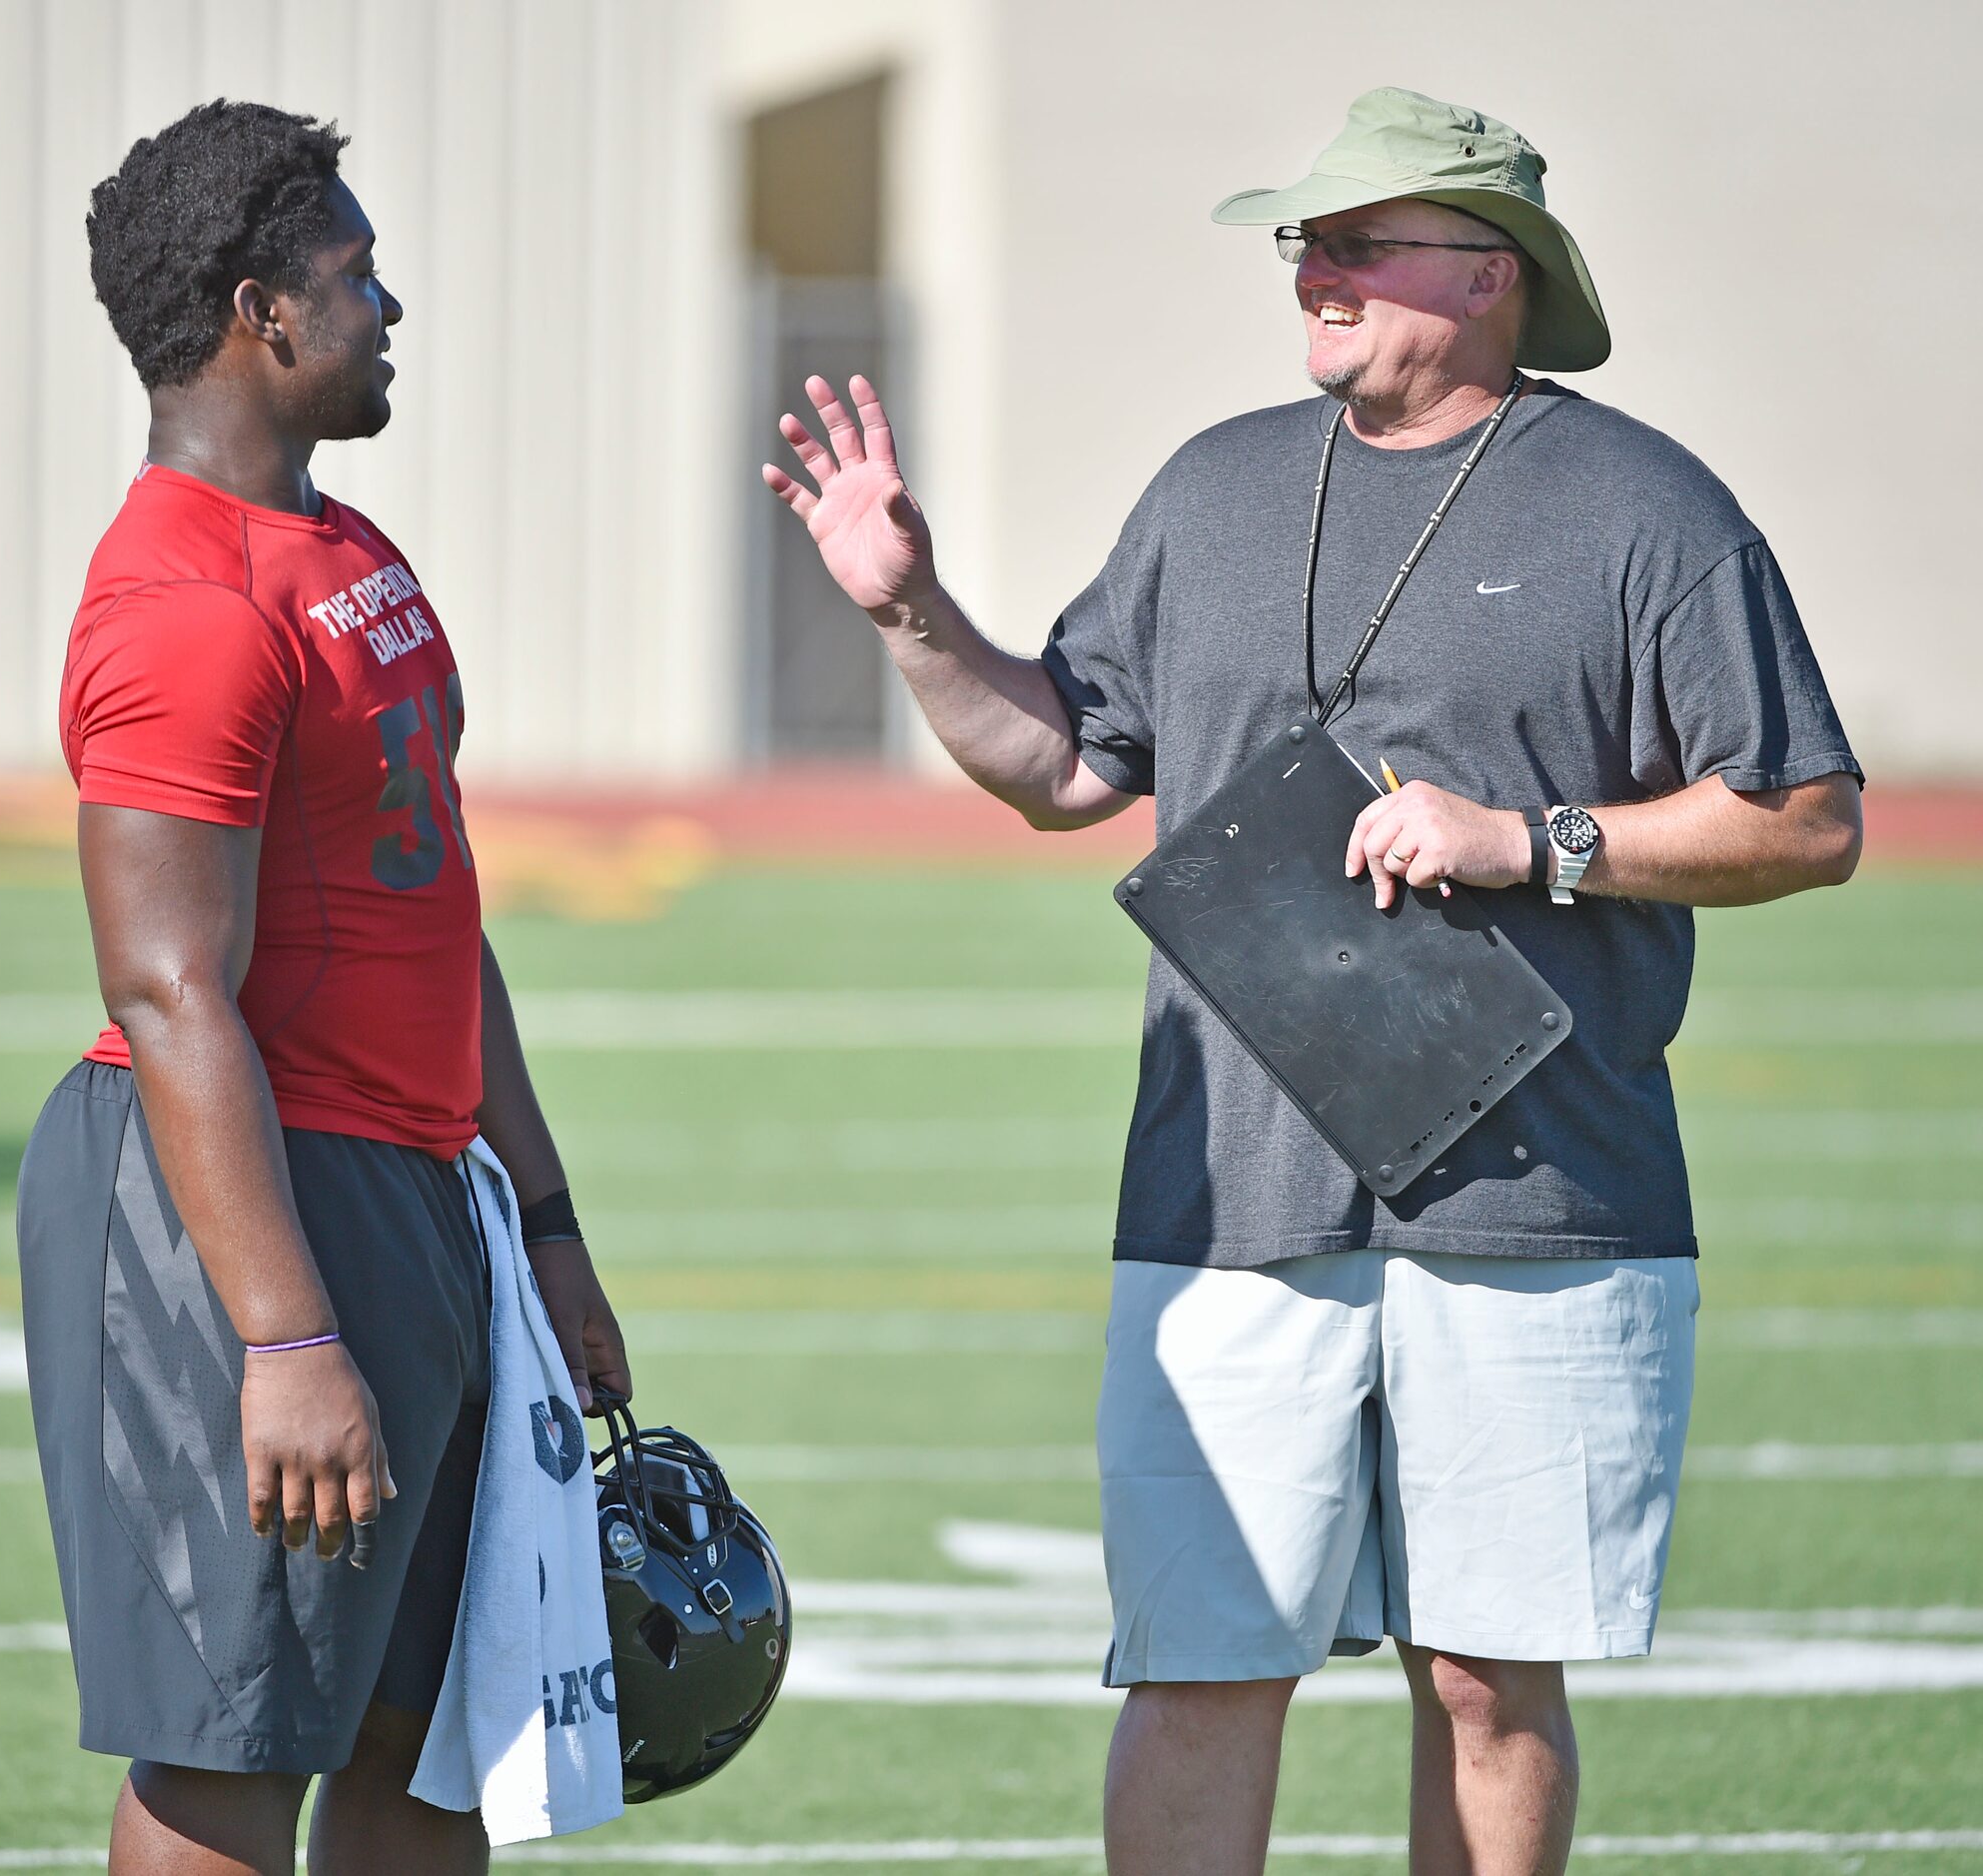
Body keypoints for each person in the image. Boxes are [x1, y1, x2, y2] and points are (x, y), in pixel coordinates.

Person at [763, 86, 1862, 1876]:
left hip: (1544, 1196)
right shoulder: (1213, 486)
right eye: (1306, 240)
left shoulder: (1650, 509)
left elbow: (1808, 818)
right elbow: (1060, 767)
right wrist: (909, 610)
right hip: (1227, 1204)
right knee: (1197, 1665)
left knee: (1492, 1683)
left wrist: (1531, 841)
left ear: (1490, 276)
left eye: (1360, 238)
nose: (1316, 268)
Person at [18, 101, 630, 1876]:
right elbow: (165, 987)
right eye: (357, 278)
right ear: (257, 313)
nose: (392, 310)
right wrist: (284, 1336)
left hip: (415, 1189)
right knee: (238, 1736)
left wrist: (548, 1221)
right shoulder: (183, 599)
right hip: (249, 1196)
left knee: (425, 1730)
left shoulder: (351, 554)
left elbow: (441, 903)